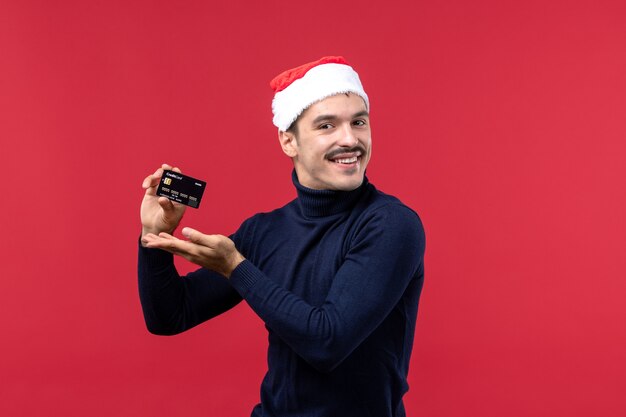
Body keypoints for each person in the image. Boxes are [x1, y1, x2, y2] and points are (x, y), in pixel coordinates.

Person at [138, 56, 426, 417]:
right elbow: (170, 316)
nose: (350, 139)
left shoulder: (392, 225)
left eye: (359, 122)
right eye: (326, 126)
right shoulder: (265, 231)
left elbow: (327, 342)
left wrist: (236, 267)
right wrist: (155, 235)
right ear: (289, 141)